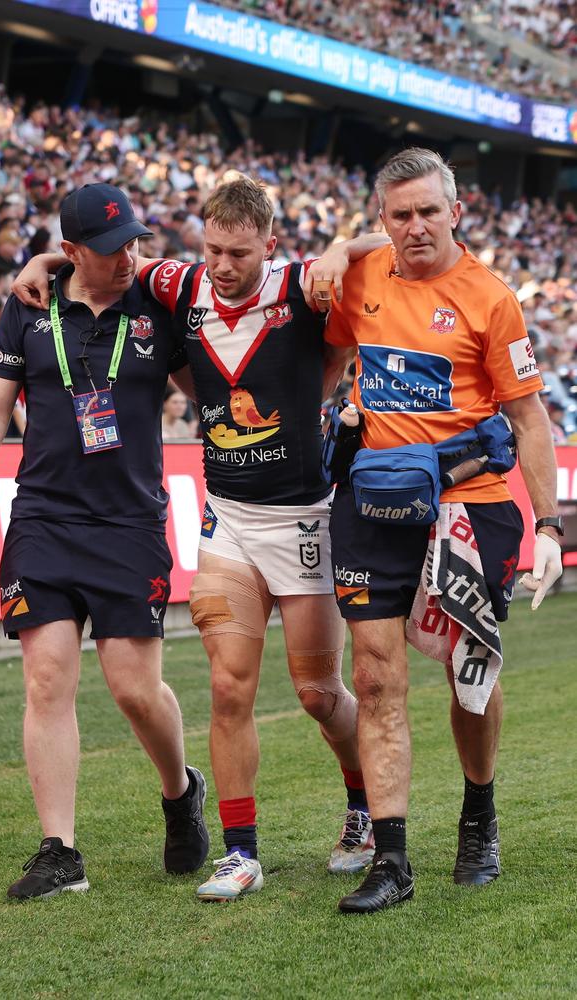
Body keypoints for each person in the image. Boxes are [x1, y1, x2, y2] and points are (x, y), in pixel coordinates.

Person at [12, 176, 388, 903]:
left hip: (305, 517)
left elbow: (386, 243)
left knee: (316, 692)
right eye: (212, 248)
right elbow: (89, 260)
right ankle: (241, 851)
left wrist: (346, 245)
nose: (221, 264)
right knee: (225, 687)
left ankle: (363, 809)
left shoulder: (303, 286)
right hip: (229, 522)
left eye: (238, 253)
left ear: (270, 246)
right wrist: (41, 264)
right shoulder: (178, 282)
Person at [309, 148, 563, 914]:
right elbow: (328, 363)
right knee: (379, 676)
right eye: (399, 215)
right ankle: (391, 859)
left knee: (469, 680)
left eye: (428, 211)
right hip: (374, 501)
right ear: (380, 221)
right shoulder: (360, 278)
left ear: (456, 210)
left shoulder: (492, 298)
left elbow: (528, 418)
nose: (415, 227)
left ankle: (478, 812)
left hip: (471, 507)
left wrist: (548, 525)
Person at [0, 182, 209, 902]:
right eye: (116, 248)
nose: (131, 258)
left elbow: (209, 392)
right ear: (74, 252)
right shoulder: (28, 309)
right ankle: (60, 850)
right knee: (47, 679)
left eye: (137, 243)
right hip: (45, 519)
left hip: (130, 525)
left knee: (134, 691)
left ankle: (181, 790)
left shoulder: (156, 305)